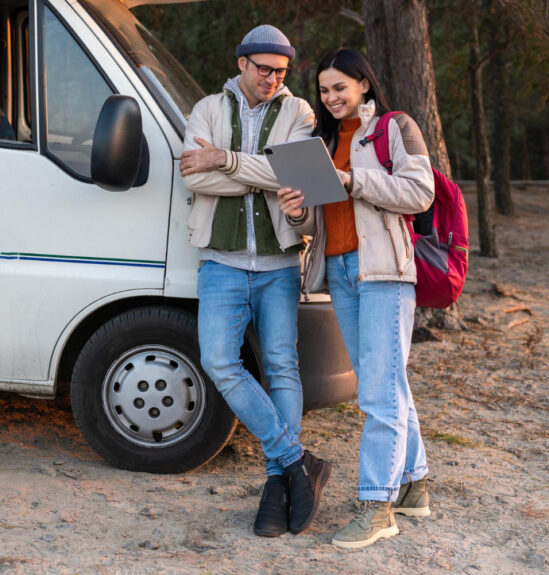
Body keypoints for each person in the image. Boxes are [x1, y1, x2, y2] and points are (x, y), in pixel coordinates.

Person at [277, 48, 435, 549]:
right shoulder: (320, 141)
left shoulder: (394, 127)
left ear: (363, 84)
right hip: (341, 272)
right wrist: (298, 210)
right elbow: (315, 223)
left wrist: (353, 180)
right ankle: (413, 484)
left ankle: (377, 506)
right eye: (323, 90)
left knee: (378, 393)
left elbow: (420, 192)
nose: (331, 97)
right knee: (382, 381)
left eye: (339, 87)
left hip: (385, 271)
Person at [179, 25, 331, 537]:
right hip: (220, 261)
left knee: (282, 367)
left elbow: (302, 177)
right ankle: (296, 461)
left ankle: (276, 483)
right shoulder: (205, 110)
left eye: (280, 71)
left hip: (279, 263)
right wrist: (268, 170)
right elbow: (193, 176)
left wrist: (223, 159)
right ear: (241, 62)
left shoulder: (300, 112)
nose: (271, 78)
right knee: (220, 360)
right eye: (263, 68)